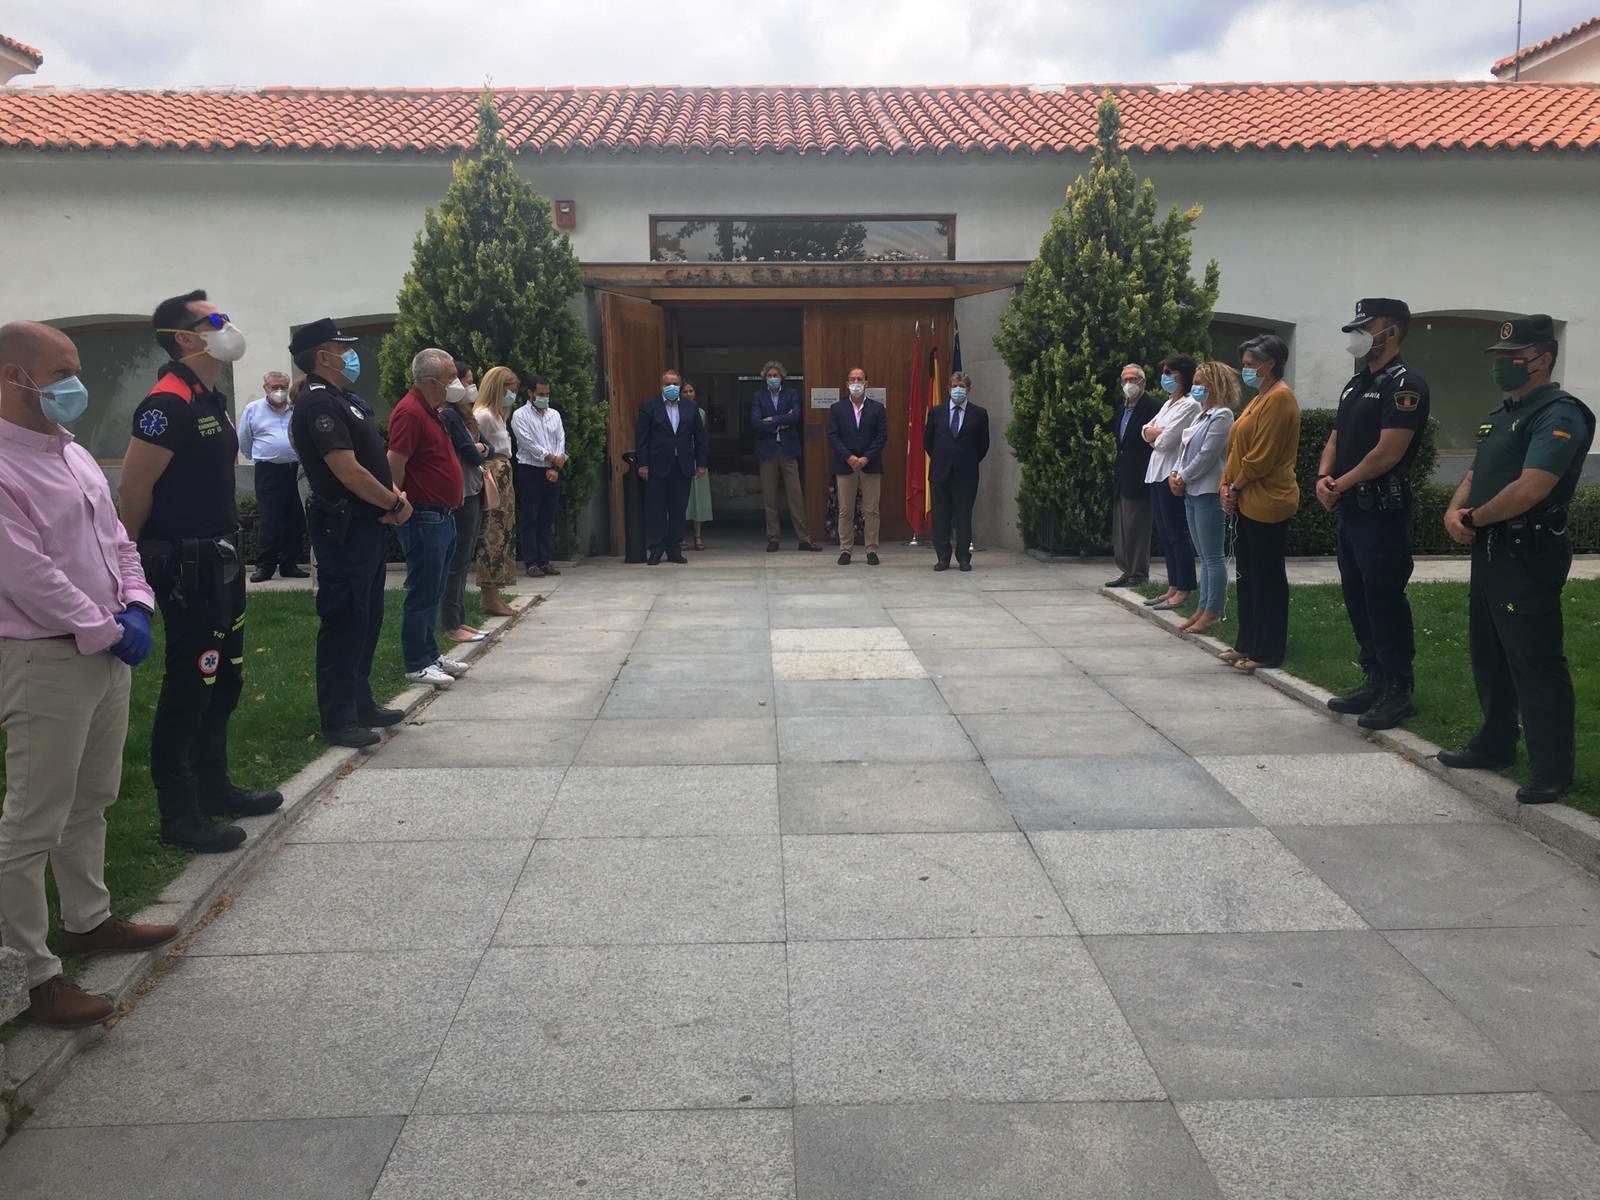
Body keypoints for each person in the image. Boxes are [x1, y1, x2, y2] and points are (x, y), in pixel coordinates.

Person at [0, 321, 180, 1028]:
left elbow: (115, 541)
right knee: (32, 817)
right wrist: (104, 625)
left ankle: (88, 918)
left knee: (92, 796)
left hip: (105, 647)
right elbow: (26, 574)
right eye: (61, 370)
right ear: (14, 377)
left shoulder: (70, 454)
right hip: (46, 657)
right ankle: (33, 972)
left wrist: (135, 603)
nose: (77, 383)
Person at [120, 290, 280, 854]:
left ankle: (216, 786)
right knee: (190, 682)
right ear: (186, 339)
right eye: (213, 319)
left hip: (222, 561)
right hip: (186, 565)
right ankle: (179, 813)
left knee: (225, 676)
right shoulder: (166, 404)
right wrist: (130, 561)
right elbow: (134, 490)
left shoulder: (207, 396)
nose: (227, 324)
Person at [1439, 314, 1595, 805]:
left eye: (1512, 358)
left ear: (1542, 358)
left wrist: (1477, 517)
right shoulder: (1503, 412)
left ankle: (1551, 769)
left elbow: (1533, 486)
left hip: (1528, 552)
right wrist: (1453, 511)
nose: (1502, 365)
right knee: (1490, 652)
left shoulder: (1559, 413)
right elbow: (1476, 470)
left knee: (1535, 658)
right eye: (1499, 358)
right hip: (1491, 549)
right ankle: (1495, 740)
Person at [289, 318, 411, 749]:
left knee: (367, 616)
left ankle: (361, 701)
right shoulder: (319, 404)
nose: (350, 355)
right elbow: (346, 469)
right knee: (344, 619)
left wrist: (392, 494)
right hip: (344, 527)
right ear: (324, 356)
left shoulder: (344, 399)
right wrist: (392, 502)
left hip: (367, 526)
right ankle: (339, 717)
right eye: (343, 348)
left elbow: (368, 460)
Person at [1317, 298, 1431, 730]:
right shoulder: (1355, 384)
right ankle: (1374, 677)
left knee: (1383, 597)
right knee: (1357, 595)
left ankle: (1398, 688)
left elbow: (1388, 452)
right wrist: (1324, 478)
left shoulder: (1406, 384)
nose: (1358, 334)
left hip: (1382, 509)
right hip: (1351, 508)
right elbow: (1336, 436)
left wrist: (1341, 485)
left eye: (1367, 326)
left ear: (1393, 332)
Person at [387, 348, 470, 689]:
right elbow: (396, 461)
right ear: (433, 381)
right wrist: (396, 502)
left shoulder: (432, 412)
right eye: (452, 378)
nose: (457, 384)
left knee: (434, 588)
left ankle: (430, 653)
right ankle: (416, 662)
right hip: (423, 516)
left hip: (442, 515)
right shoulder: (410, 413)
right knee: (422, 589)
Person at [1221, 335, 1301, 672]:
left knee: (1267, 578)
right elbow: (1238, 448)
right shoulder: (1259, 398)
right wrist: (1226, 485)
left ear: (1270, 365)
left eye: (1251, 365)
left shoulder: (1281, 399)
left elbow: (1262, 457)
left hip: (1267, 498)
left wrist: (1236, 486)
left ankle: (1268, 649)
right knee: (1247, 575)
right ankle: (1247, 641)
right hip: (1245, 496)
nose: (1246, 370)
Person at [1168, 361, 1239, 635]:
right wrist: (1176, 474)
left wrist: (1182, 476)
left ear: (1214, 385)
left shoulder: (1222, 416)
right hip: (1191, 491)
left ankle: (1213, 611)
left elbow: (1207, 456)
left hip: (1208, 490)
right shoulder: (1201, 415)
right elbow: (1184, 451)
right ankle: (1202, 607)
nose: (1195, 387)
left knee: (1212, 556)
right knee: (1204, 555)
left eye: (1200, 383)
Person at [237, 370, 308, 584]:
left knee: (295, 517)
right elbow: (244, 441)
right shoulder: (253, 410)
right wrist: (263, 456)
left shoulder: (296, 408)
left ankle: (289, 564)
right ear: (265, 388)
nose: (278, 391)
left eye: (282, 387)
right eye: (273, 387)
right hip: (268, 470)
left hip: (295, 469)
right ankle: (264, 566)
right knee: (270, 519)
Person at [1142, 355, 1201, 611]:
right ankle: (1172, 586)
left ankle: (1185, 587)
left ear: (1183, 375)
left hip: (1171, 473)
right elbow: (1145, 429)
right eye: (1163, 372)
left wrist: (1154, 436)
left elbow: (1167, 442)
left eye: (1170, 372)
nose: (1165, 376)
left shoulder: (1190, 405)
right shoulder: (1168, 404)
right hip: (1155, 472)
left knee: (1178, 533)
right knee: (1165, 534)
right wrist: (1153, 435)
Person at [635, 368, 706, 565]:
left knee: (678, 509)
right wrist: (643, 464)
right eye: (668, 384)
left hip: (682, 465)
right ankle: (656, 548)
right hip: (657, 465)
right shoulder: (649, 407)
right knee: (656, 508)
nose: (671, 387)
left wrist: (701, 464)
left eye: (675, 384)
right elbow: (642, 438)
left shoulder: (691, 408)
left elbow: (699, 438)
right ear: (661, 386)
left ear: (680, 385)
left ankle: (674, 549)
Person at [924, 371, 990, 572]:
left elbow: (983, 445)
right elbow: (928, 442)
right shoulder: (936, 413)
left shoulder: (979, 413)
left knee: (963, 516)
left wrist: (966, 460)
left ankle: (963, 557)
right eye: (954, 386)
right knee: (941, 517)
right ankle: (943, 557)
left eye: (961, 386)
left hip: (966, 474)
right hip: (940, 473)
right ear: (948, 388)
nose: (957, 390)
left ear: (968, 390)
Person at [752, 360, 820, 552]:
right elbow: (756, 422)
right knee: (769, 496)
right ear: (765, 378)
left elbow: (796, 416)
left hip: (788, 450)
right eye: (769, 376)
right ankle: (773, 538)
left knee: (795, 495)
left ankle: (804, 538)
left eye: (775, 375)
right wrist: (782, 420)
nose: (772, 379)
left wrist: (772, 419)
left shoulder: (791, 394)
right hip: (767, 451)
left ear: (782, 377)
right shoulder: (759, 396)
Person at [440, 387, 489, 645]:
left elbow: (486, 447)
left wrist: (480, 447)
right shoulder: (449, 416)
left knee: (464, 558)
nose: (470, 388)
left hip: (474, 486)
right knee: (457, 559)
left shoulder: (467, 416)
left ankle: (459, 618)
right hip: (462, 492)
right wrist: (478, 448)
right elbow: (470, 452)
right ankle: (451, 621)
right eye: (465, 381)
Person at [1107, 363, 1162, 588]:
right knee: (1122, 528)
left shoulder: (1153, 407)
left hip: (1141, 476)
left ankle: (1138, 573)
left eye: (1133, 379)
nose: (1128, 384)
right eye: (1125, 380)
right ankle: (1126, 570)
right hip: (1123, 475)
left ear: (1143, 382)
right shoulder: (1122, 409)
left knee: (1137, 527)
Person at [827, 366, 887, 566]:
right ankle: (846, 550)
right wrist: (850, 458)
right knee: (845, 510)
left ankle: (871, 549)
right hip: (846, 466)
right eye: (852, 379)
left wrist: (865, 458)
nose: (856, 383)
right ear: (847, 384)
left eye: (859, 379)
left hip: (870, 465)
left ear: (866, 383)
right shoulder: (837, 408)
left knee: (871, 510)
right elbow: (833, 436)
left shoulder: (877, 409)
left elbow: (881, 437)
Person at [471, 366, 519, 616]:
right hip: (493, 473)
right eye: (509, 388)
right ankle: (488, 594)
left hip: (503, 473)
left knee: (504, 535)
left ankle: (496, 592)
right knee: (492, 534)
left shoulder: (499, 415)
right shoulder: (484, 415)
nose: (512, 394)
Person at [509, 375, 565, 578]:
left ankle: (545, 560)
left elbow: (560, 440)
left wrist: (556, 465)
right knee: (531, 516)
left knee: (547, 517)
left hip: (552, 470)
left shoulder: (554, 415)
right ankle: (531, 562)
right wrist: (549, 458)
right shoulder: (520, 415)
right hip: (530, 469)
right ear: (530, 393)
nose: (544, 398)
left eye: (547, 394)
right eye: (541, 394)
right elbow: (528, 443)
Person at [682, 380, 713, 550]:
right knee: (681, 500)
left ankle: (698, 536)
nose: (688, 394)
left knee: (698, 500)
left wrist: (702, 462)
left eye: (691, 391)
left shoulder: (701, 413)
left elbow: (703, 440)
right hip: (681, 460)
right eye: (685, 392)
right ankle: (680, 537)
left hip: (697, 461)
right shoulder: (674, 411)